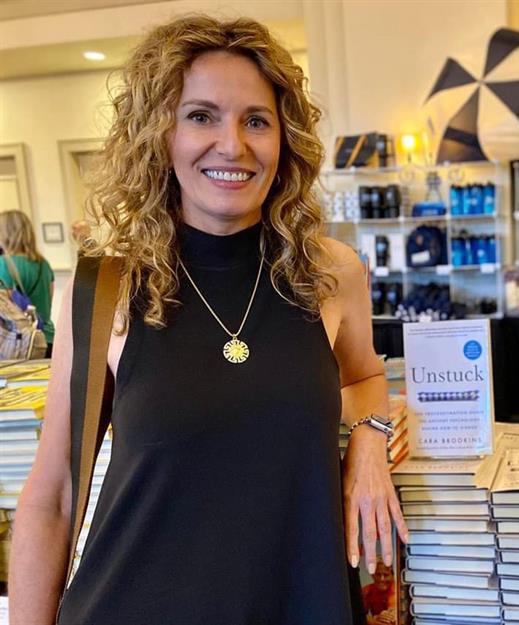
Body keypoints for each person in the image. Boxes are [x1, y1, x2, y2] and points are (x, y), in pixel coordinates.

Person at [9, 15, 407, 625]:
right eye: (200, 116)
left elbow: (363, 377)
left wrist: (371, 442)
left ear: (285, 139)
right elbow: (54, 497)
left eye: (256, 120)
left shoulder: (329, 274)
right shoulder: (102, 289)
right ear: (159, 134)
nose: (232, 144)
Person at [0, 209, 56, 356]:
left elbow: (4, 308)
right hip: (47, 338)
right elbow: (49, 300)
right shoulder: (44, 264)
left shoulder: (3, 265)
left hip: (20, 342)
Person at [361, 561, 397, 625]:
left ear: (392, 576)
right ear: (373, 575)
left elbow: (391, 616)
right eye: (378, 574)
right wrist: (372, 621)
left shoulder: (396, 590)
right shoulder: (366, 591)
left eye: (386, 575)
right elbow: (357, 615)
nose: (381, 579)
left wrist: (388, 616)